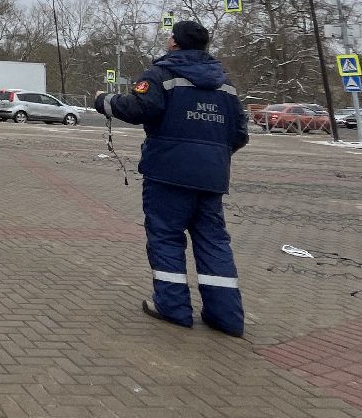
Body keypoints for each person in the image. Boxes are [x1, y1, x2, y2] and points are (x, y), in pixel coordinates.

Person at [94, 20, 249, 337]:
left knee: (165, 238)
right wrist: (210, 157)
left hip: (167, 175)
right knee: (213, 242)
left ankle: (173, 307)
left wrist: (104, 101)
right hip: (211, 179)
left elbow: (137, 109)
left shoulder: (162, 75)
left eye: (170, 37)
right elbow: (240, 134)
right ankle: (226, 317)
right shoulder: (225, 84)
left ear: (175, 43)